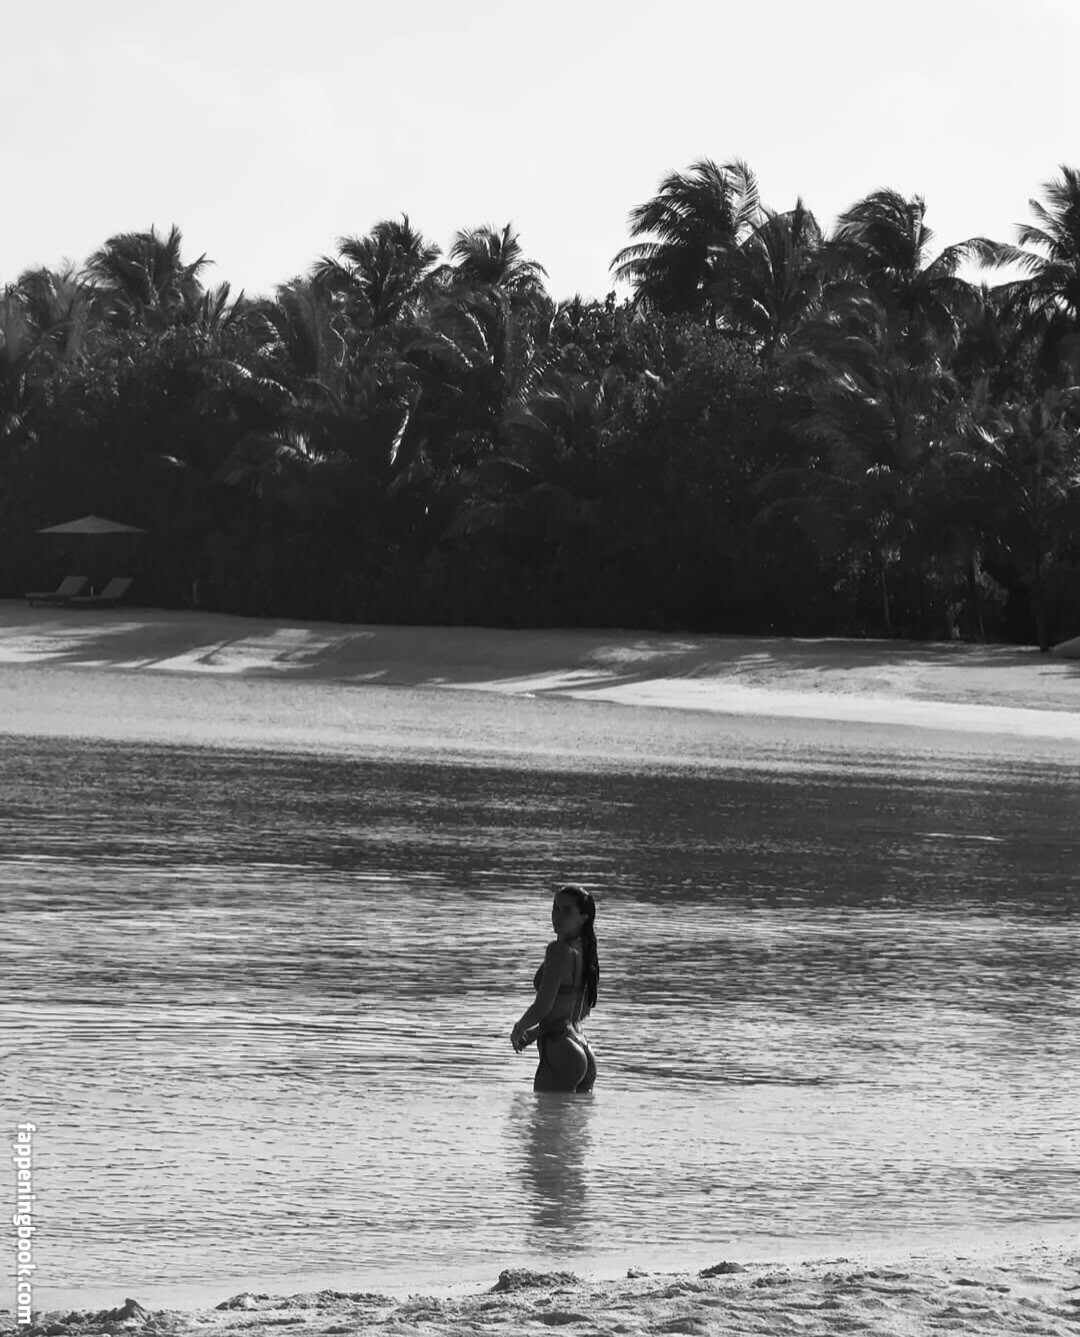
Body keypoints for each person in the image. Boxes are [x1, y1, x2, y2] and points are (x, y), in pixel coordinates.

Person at [510, 884, 599, 1092]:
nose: (558, 916)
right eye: (555, 908)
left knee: (543, 1114)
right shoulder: (585, 949)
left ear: (583, 918)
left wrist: (519, 1028)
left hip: (561, 1049)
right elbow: (580, 1011)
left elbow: (544, 1004)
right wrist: (535, 1033)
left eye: (567, 910)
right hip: (582, 1046)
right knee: (571, 1113)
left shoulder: (558, 950)